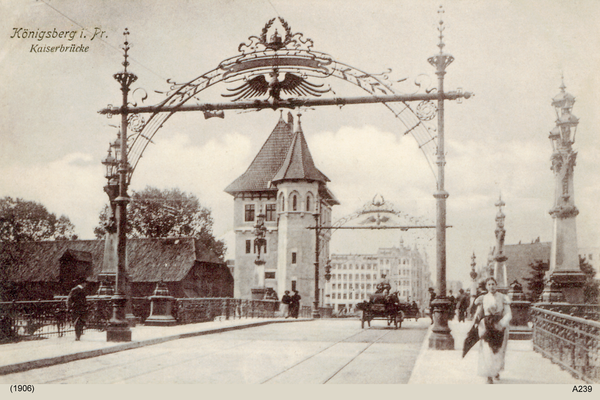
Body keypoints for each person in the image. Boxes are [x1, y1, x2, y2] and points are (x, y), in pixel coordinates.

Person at [471, 277, 512, 384]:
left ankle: (496, 370)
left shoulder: (503, 297)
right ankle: (488, 375)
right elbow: (479, 312)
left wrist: (502, 323)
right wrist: (476, 319)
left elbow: (508, 313)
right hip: (487, 325)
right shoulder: (483, 298)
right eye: (489, 284)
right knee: (486, 350)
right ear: (486, 286)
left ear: (496, 285)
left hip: (499, 325)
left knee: (498, 349)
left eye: (493, 284)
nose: (491, 286)